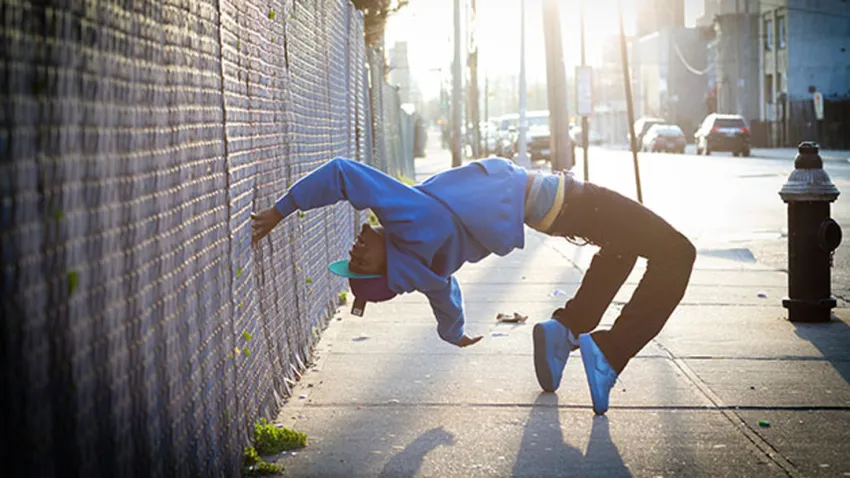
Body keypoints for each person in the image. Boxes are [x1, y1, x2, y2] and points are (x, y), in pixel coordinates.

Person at [251, 157, 695, 415]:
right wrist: (281, 209)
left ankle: (567, 330)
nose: (356, 246)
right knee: (677, 252)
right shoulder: (407, 220)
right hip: (563, 199)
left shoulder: (425, 263)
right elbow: (343, 173)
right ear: (387, 272)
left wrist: (454, 333)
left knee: (625, 245)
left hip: (554, 212)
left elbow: (444, 296)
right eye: (361, 260)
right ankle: (611, 352)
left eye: (352, 255)